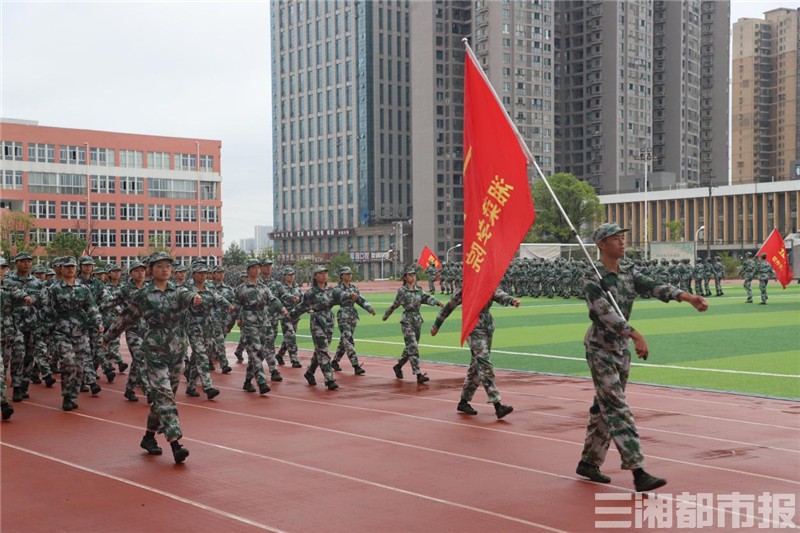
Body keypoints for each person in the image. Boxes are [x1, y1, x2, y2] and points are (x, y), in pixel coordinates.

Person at [576, 223, 708, 492]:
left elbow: (653, 286)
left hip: (620, 350)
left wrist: (686, 297)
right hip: (600, 348)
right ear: (601, 245)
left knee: (604, 406)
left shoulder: (627, 271)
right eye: (615, 239)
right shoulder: (592, 277)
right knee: (616, 406)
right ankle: (638, 471)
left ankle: (589, 463)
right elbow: (604, 313)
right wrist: (635, 335)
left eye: (623, 238)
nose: (622, 243)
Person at [103, 252, 202, 464]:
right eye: (160, 266)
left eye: (168, 266)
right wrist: (107, 337)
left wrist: (195, 299)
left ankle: (148, 438)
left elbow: (189, 298)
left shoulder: (180, 291)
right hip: (154, 351)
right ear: (151, 270)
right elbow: (126, 318)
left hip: (176, 351)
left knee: (164, 399)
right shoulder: (144, 295)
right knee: (164, 394)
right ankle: (175, 443)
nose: (165, 269)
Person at [430, 286, 517, 419]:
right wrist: (437, 324)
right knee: (484, 364)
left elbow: (499, 294)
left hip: (487, 327)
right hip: (473, 328)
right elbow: (449, 306)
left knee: (476, 366)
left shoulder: (487, 284)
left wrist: (511, 301)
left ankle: (463, 402)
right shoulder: (466, 288)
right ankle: (497, 404)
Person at [42, 256, 104, 411]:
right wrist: (47, 332)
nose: (70, 269)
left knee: (80, 366)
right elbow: (48, 311)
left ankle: (72, 396)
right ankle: (67, 395)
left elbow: (92, 307)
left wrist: (98, 322)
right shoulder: (54, 289)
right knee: (68, 363)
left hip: (81, 331)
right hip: (61, 331)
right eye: (67, 266)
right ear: (61, 269)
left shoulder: (83, 289)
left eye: (73, 266)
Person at [292, 265, 357, 390]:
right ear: (315, 276)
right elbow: (302, 306)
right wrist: (290, 315)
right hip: (317, 322)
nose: (324, 275)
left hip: (329, 321)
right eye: (321, 273)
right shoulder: (311, 293)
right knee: (324, 351)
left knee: (320, 351)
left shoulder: (331, 290)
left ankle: (310, 372)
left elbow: (342, 294)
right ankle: (329, 379)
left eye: (325, 273)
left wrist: (350, 296)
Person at [232, 260, 288, 395]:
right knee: (255, 350)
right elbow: (235, 308)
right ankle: (262, 382)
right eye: (253, 268)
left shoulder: (264, 287)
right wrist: (229, 325)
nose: (257, 270)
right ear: (248, 270)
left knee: (261, 352)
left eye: (258, 268)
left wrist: (282, 309)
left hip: (264, 322)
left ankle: (247, 381)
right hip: (249, 323)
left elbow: (273, 299)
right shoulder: (241, 289)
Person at [382, 266, 443, 383]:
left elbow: (427, 298)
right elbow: (395, 304)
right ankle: (418, 374)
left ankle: (398, 366)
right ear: (405, 277)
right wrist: (386, 315)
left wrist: (438, 303)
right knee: (413, 347)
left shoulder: (419, 290)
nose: (412, 277)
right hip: (407, 320)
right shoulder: (402, 291)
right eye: (410, 275)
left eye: (414, 275)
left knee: (410, 348)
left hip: (417, 320)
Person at [332, 266, 376, 375]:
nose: (349, 276)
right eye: (346, 274)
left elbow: (360, 300)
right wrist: (349, 295)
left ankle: (334, 361)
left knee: (344, 340)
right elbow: (337, 297)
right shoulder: (338, 289)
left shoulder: (354, 288)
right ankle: (355, 365)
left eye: (350, 274)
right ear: (342, 276)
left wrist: (369, 309)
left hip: (352, 316)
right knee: (348, 340)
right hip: (343, 316)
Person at [276, 267, 303, 368]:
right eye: (289, 275)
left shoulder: (297, 287)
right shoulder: (281, 288)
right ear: (285, 276)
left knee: (288, 337)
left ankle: (279, 355)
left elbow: (302, 300)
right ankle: (294, 359)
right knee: (291, 337)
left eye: (292, 275)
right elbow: (278, 301)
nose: (291, 277)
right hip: (285, 316)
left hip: (295, 316)